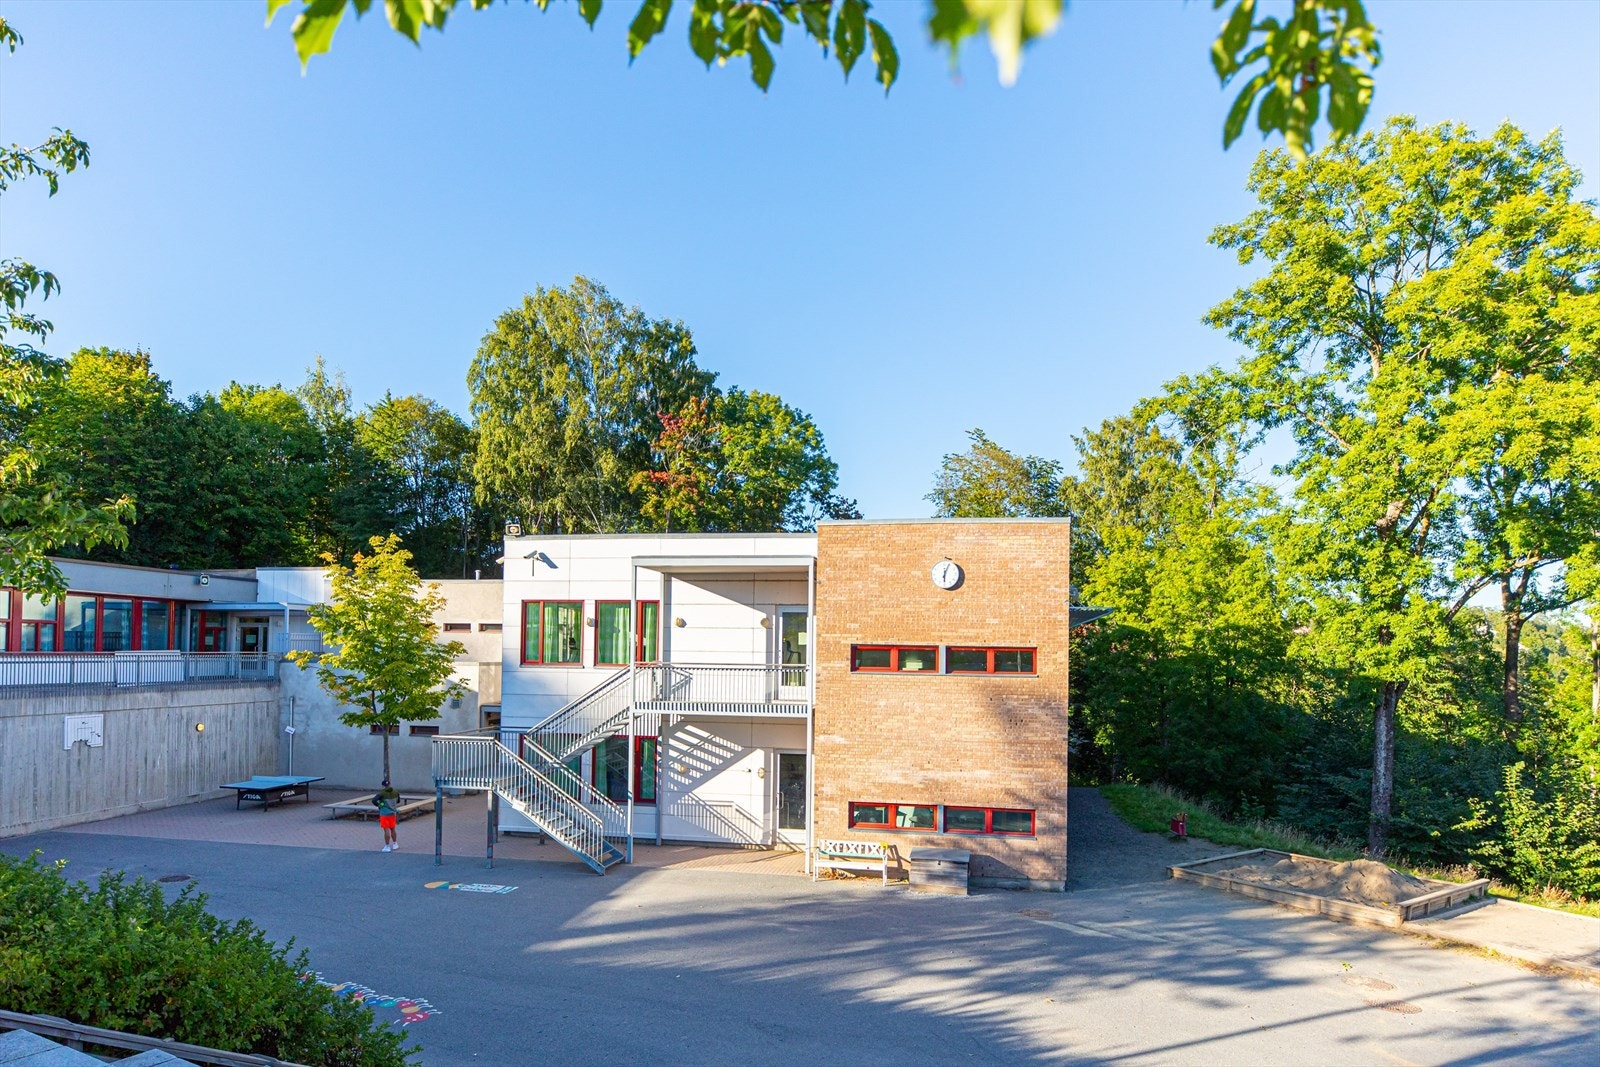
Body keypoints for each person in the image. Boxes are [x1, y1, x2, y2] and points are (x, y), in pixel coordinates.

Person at [375, 780, 401, 852]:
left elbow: (374, 800)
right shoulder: (396, 792)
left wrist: (381, 805)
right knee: (393, 829)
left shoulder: (382, 793)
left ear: (383, 786)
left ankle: (387, 846)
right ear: (390, 784)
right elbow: (398, 801)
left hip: (384, 813)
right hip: (393, 813)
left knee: (386, 829)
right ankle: (395, 844)